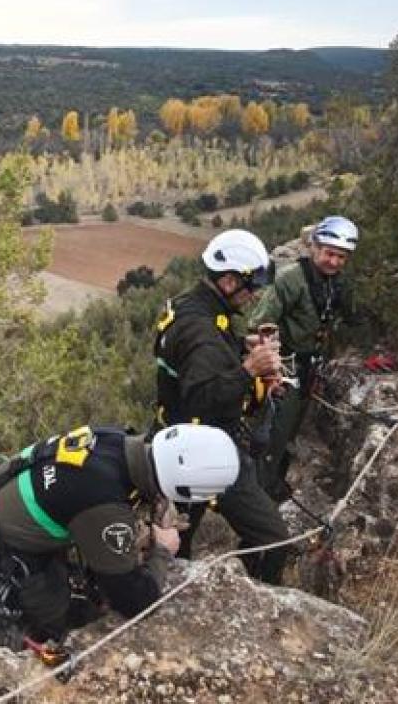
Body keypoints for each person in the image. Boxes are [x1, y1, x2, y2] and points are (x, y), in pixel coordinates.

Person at [0, 423, 239, 654]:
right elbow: (133, 600)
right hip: (10, 554)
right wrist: (163, 551)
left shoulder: (115, 440)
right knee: (66, 619)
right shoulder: (103, 504)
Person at [152, 229, 292, 582]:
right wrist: (249, 370)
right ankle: (259, 596)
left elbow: (192, 356)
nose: (254, 294)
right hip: (204, 452)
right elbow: (201, 398)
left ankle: (172, 592)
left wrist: (237, 346)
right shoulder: (203, 333)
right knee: (274, 540)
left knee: (177, 545)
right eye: (251, 286)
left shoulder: (191, 305)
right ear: (229, 281)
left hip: (175, 445)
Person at [246, 215, 371, 500]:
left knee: (291, 428)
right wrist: (272, 369)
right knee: (276, 429)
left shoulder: (338, 284)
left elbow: (354, 318)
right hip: (286, 365)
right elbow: (260, 325)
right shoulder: (291, 279)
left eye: (341, 257)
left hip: (312, 364)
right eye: (329, 253)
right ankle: (260, 491)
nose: (334, 262)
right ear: (314, 247)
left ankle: (274, 480)